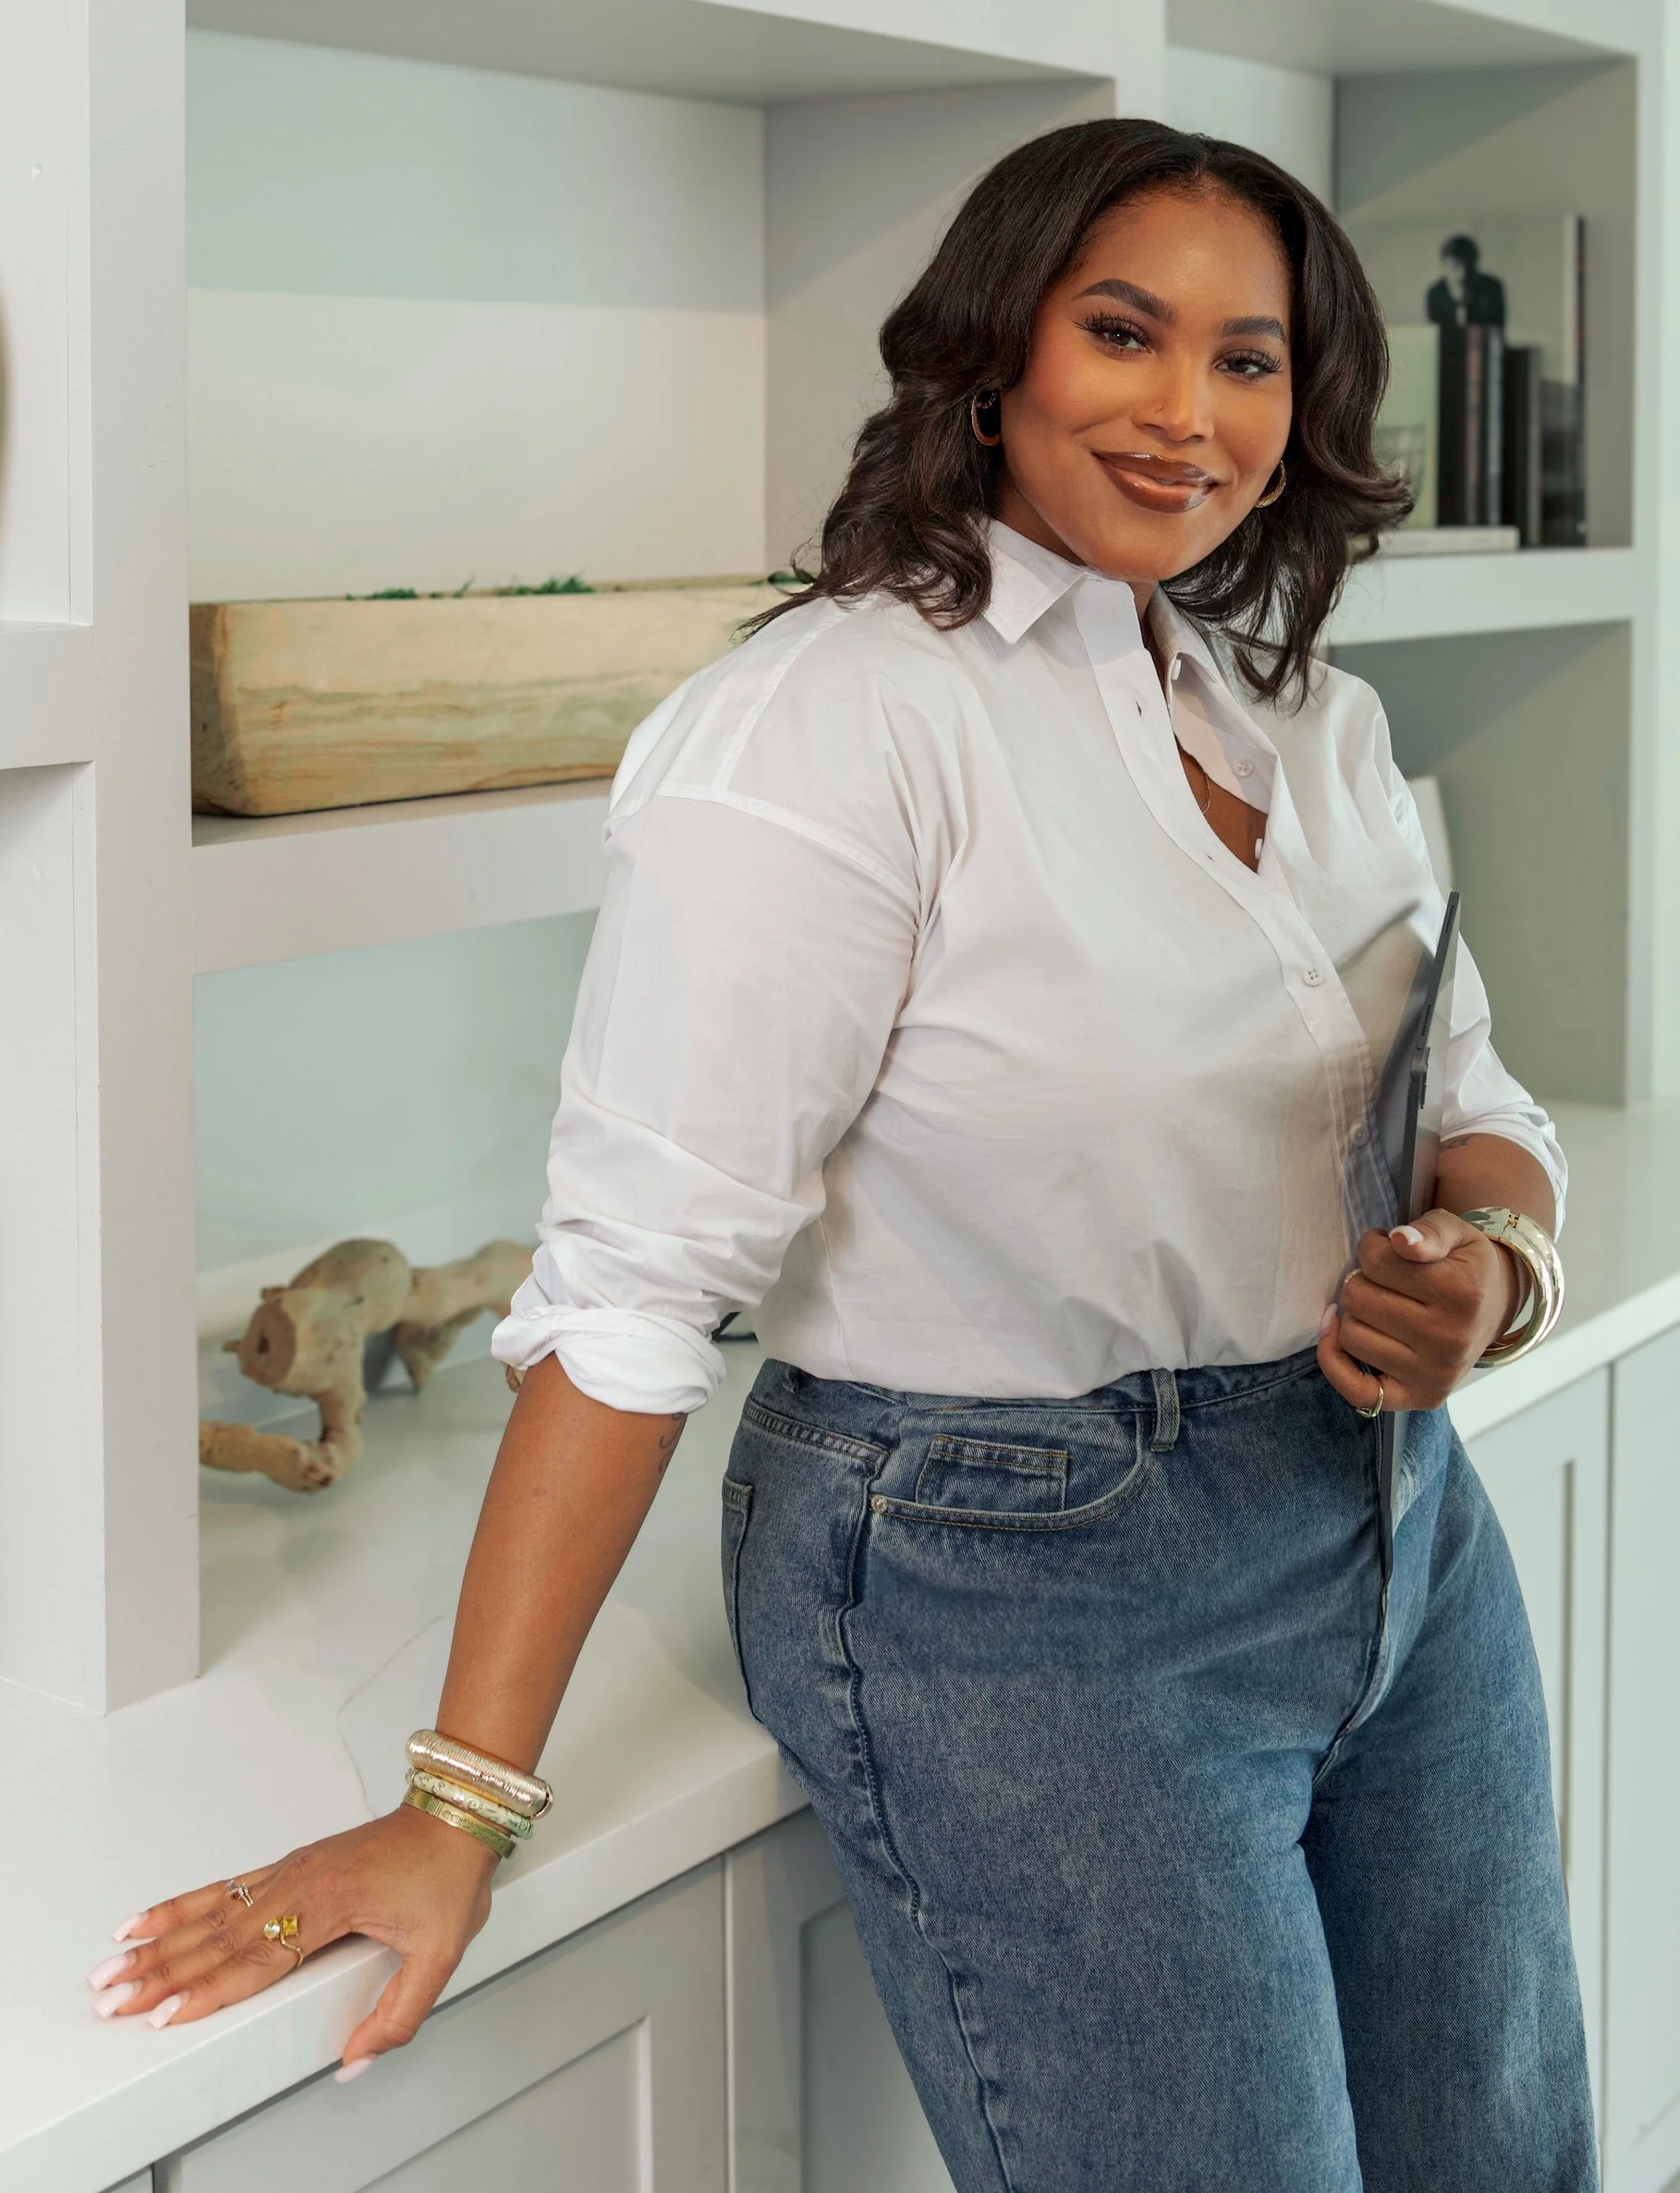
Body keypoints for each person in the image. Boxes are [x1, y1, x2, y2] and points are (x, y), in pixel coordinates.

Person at [91, 119, 1593, 2193]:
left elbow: (1474, 1105)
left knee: (1505, 2152)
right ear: (993, 357)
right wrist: (458, 1800)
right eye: (1123, 332)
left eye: (1246, 358)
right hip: (1012, 1571)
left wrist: (1482, 1266)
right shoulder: (824, 727)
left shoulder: (1300, 714)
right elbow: (627, 1287)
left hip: (1393, 1521)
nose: (1188, 409)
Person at [1426, 231, 1508, 331]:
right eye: (1455, 267)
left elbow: (1496, 333)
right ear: (1444, 267)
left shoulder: (1492, 289)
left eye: (1468, 267)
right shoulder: (1436, 294)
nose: (1462, 273)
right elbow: (1436, 336)